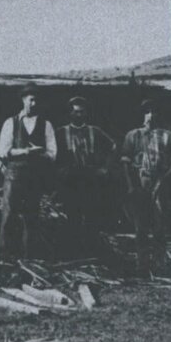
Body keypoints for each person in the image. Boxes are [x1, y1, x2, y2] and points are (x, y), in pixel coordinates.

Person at [0, 86, 59, 258]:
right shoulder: (11, 122)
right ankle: (4, 257)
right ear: (23, 100)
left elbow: (53, 153)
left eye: (36, 100)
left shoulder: (46, 125)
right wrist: (23, 152)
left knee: (31, 216)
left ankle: (28, 258)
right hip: (14, 174)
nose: (34, 103)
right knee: (8, 214)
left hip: (35, 176)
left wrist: (41, 153)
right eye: (30, 99)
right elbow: (3, 151)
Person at [120, 100, 171, 273]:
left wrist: (165, 179)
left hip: (161, 183)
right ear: (143, 114)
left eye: (154, 112)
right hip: (140, 182)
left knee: (160, 225)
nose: (151, 115)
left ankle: (160, 264)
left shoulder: (167, 136)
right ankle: (142, 264)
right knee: (141, 226)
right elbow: (125, 161)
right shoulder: (133, 135)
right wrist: (131, 185)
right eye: (147, 112)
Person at [58, 94, 119, 245]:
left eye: (81, 111)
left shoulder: (95, 131)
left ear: (86, 113)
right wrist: (59, 170)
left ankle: (92, 248)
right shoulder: (61, 132)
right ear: (70, 113)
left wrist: (106, 167)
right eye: (75, 111)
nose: (79, 114)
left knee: (92, 214)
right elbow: (51, 153)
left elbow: (114, 146)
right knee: (72, 215)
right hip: (71, 180)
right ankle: (75, 249)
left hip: (91, 179)